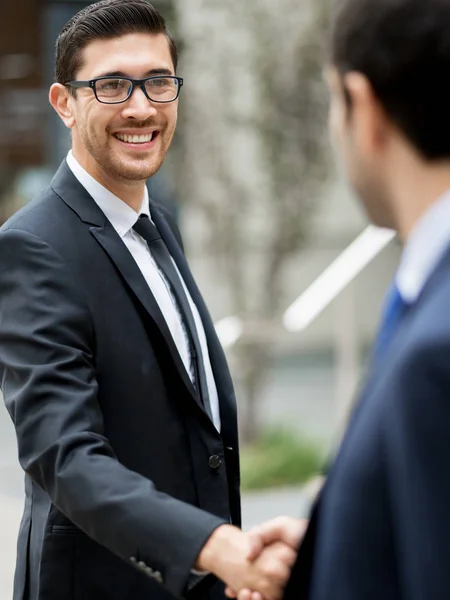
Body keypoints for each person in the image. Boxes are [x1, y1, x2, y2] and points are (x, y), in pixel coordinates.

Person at [0, 2, 303, 599]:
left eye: (158, 82)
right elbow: (66, 459)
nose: (141, 107)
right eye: (112, 85)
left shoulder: (158, 221)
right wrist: (214, 547)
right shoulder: (30, 247)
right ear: (65, 103)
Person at [283, 0, 450, 598]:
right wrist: (339, 540)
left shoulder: (435, 356)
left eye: (332, 100)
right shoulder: (424, 296)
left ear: (364, 105)